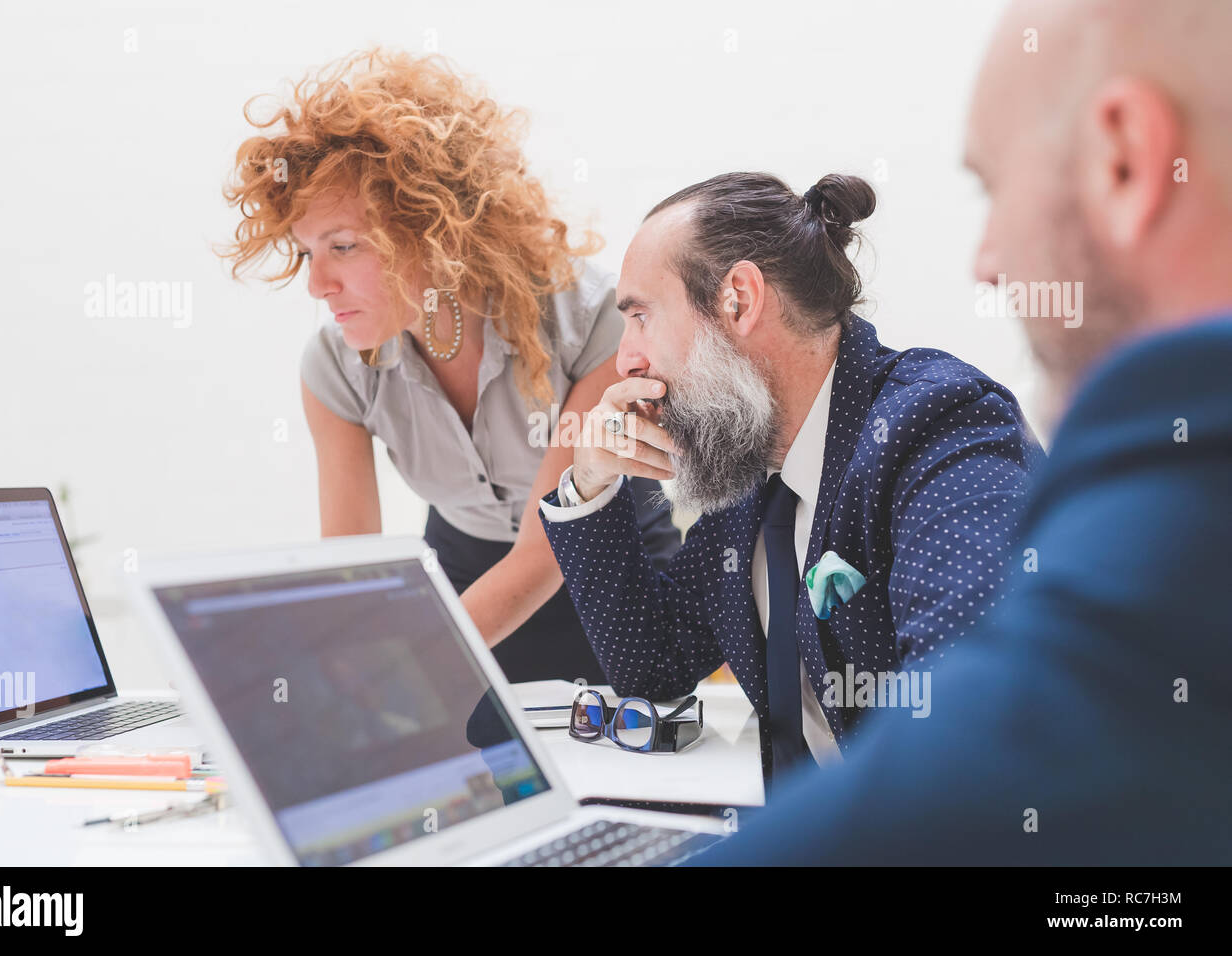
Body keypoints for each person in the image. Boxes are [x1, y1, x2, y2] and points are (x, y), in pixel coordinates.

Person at [693, 0, 1232, 864]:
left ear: (1126, 160)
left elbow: (990, 752)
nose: (985, 258)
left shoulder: (1156, 490)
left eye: (994, 188)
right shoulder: (740, 483)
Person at [537, 170, 1044, 781]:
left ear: (739, 300)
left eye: (641, 316)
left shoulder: (937, 424)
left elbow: (972, 709)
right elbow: (655, 664)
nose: (625, 360)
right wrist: (587, 481)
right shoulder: (750, 479)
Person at [218, 48, 680, 684]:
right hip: (466, 582)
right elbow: (351, 566)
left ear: (431, 228)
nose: (317, 285)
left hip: (609, 578)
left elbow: (543, 551)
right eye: (306, 255)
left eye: (343, 247)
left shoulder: (592, 319)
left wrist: (411, 659)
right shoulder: (333, 369)